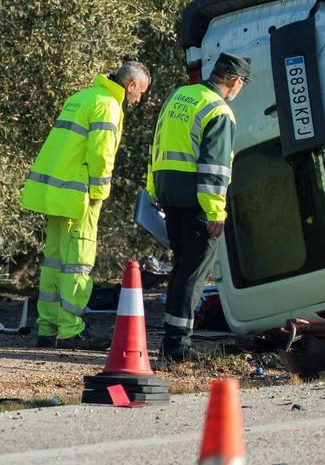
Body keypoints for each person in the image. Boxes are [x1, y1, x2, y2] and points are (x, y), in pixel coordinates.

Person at [22, 61, 151, 349]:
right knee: (77, 264)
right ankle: (71, 331)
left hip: (55, 194)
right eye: (140, 92)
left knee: (54, 261)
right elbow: (101, 156)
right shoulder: (108, 105)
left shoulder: (80, 97)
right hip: (80, 196)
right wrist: (100, 194)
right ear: (131, 85)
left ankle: (47, 327)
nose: (139, 99)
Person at [147, 53, 249, 363]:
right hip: (197, 201)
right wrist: (216, 213)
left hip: (169, 193)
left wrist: (154, 190)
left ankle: (172, 339)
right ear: (235, 81)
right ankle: (179, 344)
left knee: (181, 268)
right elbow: (215, 169)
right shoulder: (219, 111)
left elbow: (157, 143)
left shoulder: (181, 95)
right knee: (194, 273)